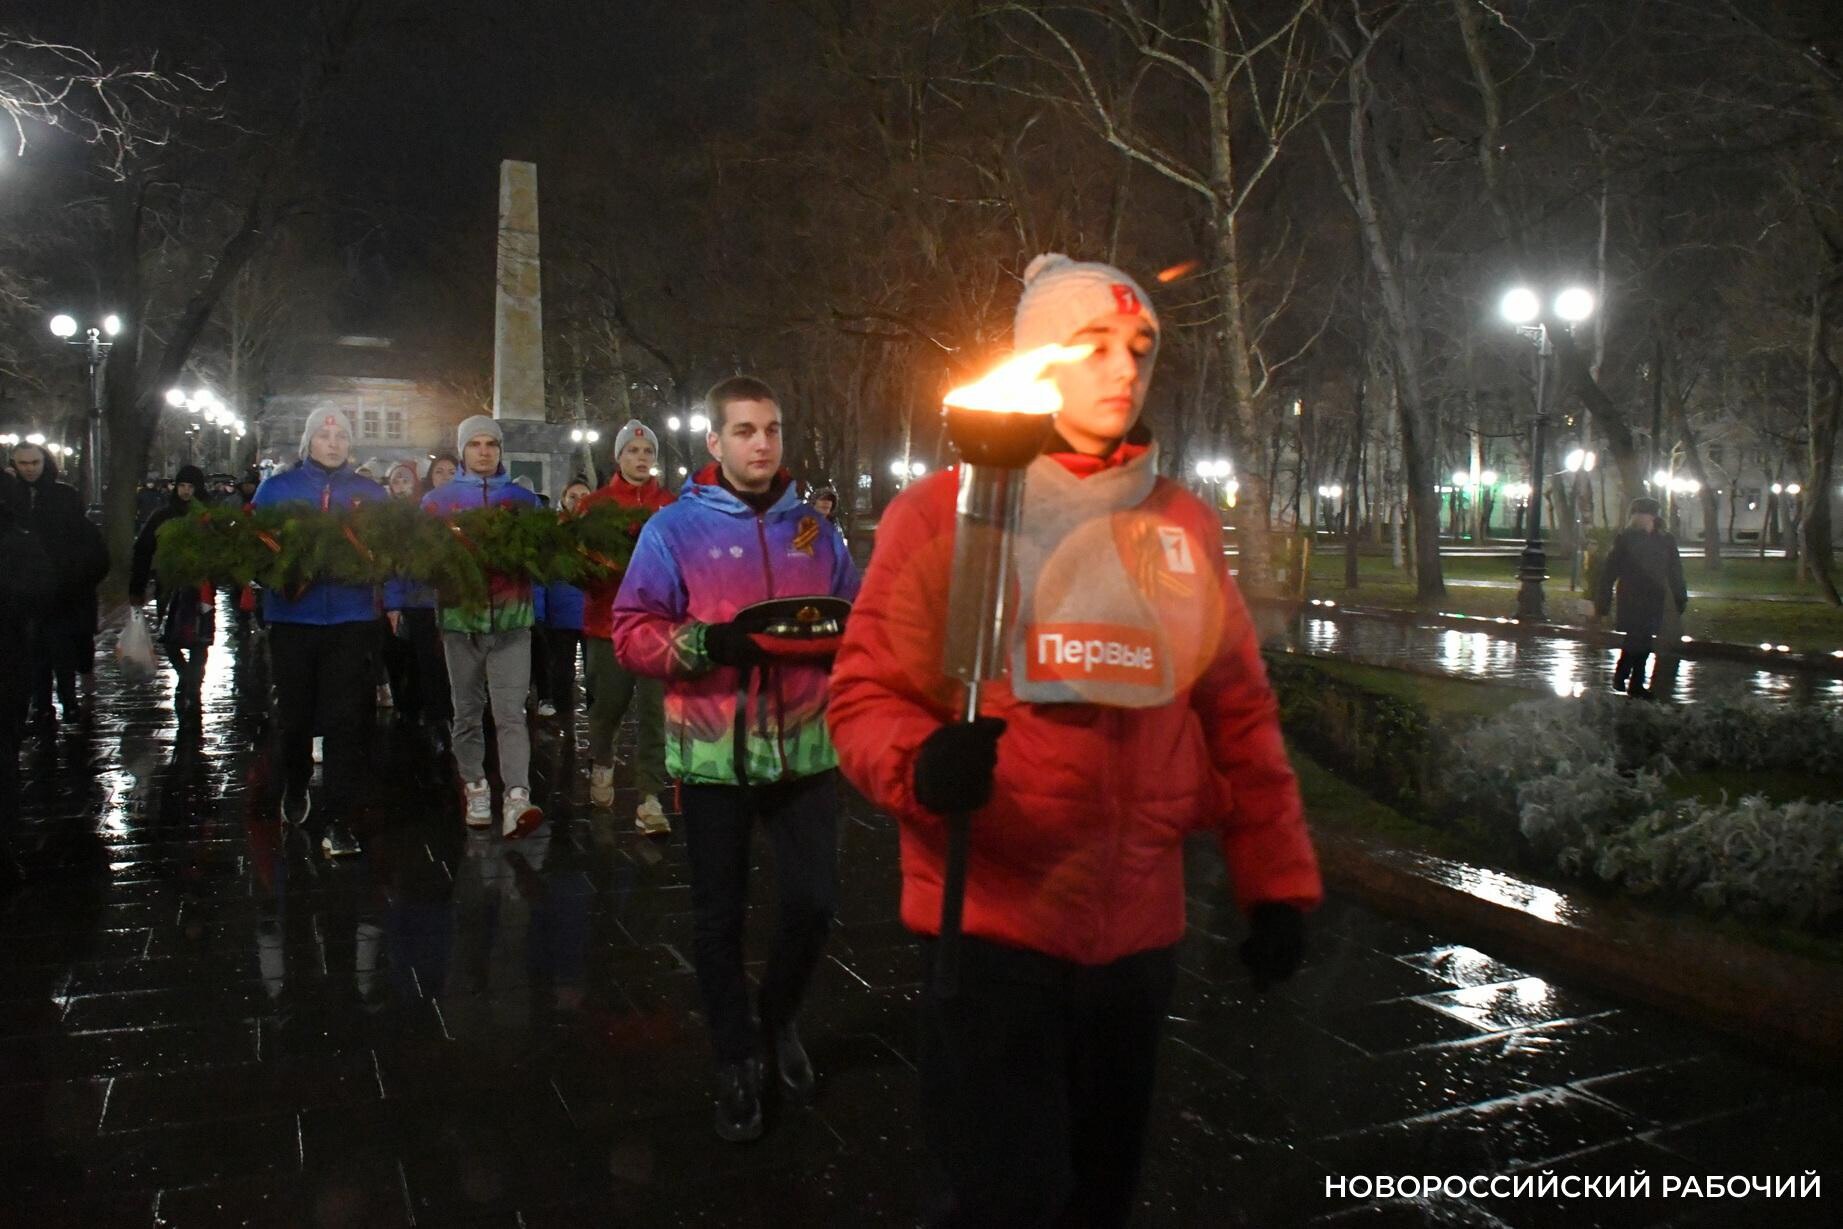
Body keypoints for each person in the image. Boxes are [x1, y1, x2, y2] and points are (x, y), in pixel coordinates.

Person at [827, 254, 1323, 1226]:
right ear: (1036, 363)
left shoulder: (1178, 520)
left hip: (1136, 932)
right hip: (989, 926)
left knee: (1099, 1195)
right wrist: (922, 762)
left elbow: (1236, 712)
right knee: (1006, 1197)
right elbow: (863, 695)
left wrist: (1275, 878)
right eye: (1092, 346)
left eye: (1138, 348)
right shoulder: (946, 511)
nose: (1122, 369)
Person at [612, 380, 860, 1143]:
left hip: (808, 754)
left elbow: (860, 621)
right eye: (745, 430)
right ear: (714, 443)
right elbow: (630, 630)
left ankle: (776, 1016)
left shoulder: (816, 532)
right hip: (715, 759)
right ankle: (733, 1057)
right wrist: (699, 642)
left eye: (773, 429)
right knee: (718, 919)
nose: (762, 443)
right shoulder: (671, 529)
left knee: (813, 903)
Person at [252, 410, 387, 858]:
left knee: (345, 720)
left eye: (341, 436)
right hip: (293, 620)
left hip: (349, 620)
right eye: (324, 436)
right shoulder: (278, 489)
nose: (333, 443)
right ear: (308, 442)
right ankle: (294, 780)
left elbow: (389, 549)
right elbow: (255, 548)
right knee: (295, 716)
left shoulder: (369, 494)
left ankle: (339, 818)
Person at [420, 416, 544, 838]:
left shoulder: (523, 501)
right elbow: (425, 563)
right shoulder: (438, 503)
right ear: (462, 451)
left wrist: (533, 610)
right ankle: (475, 783)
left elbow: (539, 561)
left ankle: (517, 795)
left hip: (512, 623)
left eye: (492, 444)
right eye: (475, 444)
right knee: (468, 712)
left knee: (511, 714)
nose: (485, 451)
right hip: (461, 623)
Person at [578, 421, 675, 834]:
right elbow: (576, 565)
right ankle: (602, 762)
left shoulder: (670, 506)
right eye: (632, 452)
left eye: (647, 452)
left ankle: (651, 797)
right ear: (618, 458)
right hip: (608, 626)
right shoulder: (596, 505)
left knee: (657, 714)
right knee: (607, 708)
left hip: (657, 629)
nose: (640, 459)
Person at [12, 442, 108, 726]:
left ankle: (68, 701)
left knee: (61, 650)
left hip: (61, 592)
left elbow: (84, 543)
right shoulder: (11, 496)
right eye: (23, 463)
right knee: (33, 654)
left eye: (34, 463)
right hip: (23, 594)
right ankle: (40, 705)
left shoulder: (63, 496)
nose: (29, 469)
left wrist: (73, 578)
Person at [129, 464, 216, 719]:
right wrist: (137, 587)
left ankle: (194, 685)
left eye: (191, 487)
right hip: (170, 587)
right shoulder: (163, 515)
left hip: (202, 587)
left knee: (200, 640)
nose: (186, 492)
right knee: (170, 637)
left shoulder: (208, 517)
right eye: (182, 486)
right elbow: (143, 551)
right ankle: (187, 677)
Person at [1593, 496, 1688, 699]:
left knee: (1643, 639)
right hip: (1631, 596)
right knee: (1638, 637)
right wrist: (1603, 601)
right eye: (1637, 514)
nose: (1640, 518)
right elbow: (1610, 571)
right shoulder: (1626, 538)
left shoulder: (1666, 540)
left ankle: (1630, 679)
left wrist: (1680, 595)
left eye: (1643, 514)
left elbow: (1675, 570)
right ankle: (1628, 677)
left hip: (1654, 597)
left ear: (1653, 516)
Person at [540, 479, 594, 721]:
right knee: (562, 669)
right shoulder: (552, 531)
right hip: (560, 612)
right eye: (573, 496)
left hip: (593, 612)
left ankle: (596, 717)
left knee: (595, 671)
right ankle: (564, 717)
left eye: (584, 495)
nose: (578, 501)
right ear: (562, 499)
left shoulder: (601, 531)